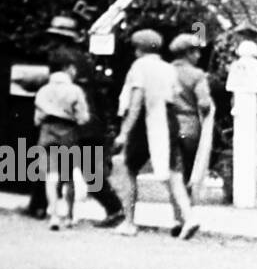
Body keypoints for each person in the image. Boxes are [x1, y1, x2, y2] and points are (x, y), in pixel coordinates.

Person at [24, 16, 126, 228]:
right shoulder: (85, 58)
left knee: (53, 166)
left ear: (58, 37)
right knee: (90, 172)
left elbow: (51, 87)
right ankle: (114, 209)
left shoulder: (58, 58)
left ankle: (39, 207)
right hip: (90, 121)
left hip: (67, 121)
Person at [115, 29, 199, 240]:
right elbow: (175, 95)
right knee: (173, 172)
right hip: (169, 119)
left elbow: (136, 101)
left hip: (146, 119)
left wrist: (124, 132)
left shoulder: (139, 67)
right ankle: (187, 217)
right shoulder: (167, 68)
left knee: (130, 169)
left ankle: (129, 221)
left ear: (139, 49)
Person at [33, 49, 91, 230]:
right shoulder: (75, 90)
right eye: (73, 68)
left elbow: (37, 118)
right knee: (69, 176)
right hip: (68, 134)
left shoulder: (43, 90)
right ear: (67, 68)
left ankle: (54, 216)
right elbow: (83, 118)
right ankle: (70, 216)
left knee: (51, 175)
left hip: (47, 133)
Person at [169, 33, 215, 204]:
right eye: (196, 52)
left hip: (169, 125)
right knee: (189, 169)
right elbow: (204, 103)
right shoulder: (197, 75)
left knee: (173, 169)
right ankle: (188, 205)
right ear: (188, 53)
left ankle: (177, 209)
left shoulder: (166, 71)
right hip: (190, 126)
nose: (199, 56)